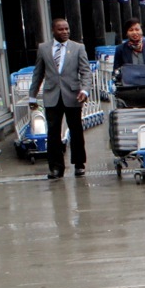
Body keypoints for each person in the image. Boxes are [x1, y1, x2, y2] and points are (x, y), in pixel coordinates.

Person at [28, 18, 93, 180]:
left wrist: (85, 90)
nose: (65, 32)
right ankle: (56, 168)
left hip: (73, 95)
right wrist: (32, 96)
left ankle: (79, 164)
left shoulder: (78, 48)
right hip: (52, 96)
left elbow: (86, 72)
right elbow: (38, 73)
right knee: (53, 133)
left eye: (67, 29)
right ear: (53, 31)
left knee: (76, 131)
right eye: (61, 29)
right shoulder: (43, 48)